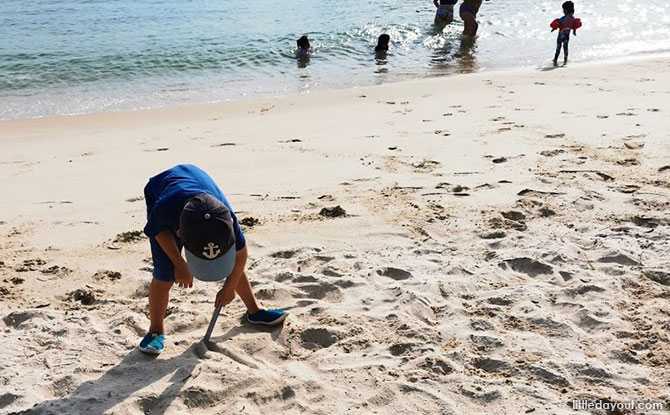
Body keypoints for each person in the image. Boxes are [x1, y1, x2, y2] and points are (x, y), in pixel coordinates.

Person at [139, 164, 288, 355]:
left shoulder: (224, 218)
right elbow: (158, 231)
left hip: (201, 189)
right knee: (164, 274)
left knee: (231, 263)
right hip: (162, 192)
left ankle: (254, 311)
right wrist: (179, 262)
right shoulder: (163, 209)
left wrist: (229, 287)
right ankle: (156, 331)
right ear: (179, 234)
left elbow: (240, 254)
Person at [551, 1, 581, 65]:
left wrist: (553, 28)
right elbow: (574, 26)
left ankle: (555, 59)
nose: (563, 11)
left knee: (558, 47)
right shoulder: (573, 19)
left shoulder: (563, 18)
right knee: (565, 47)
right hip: (567, 36)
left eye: (563, 9)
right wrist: (574, 32)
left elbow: (557, 23)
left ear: (566, 10)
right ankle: (565, 59)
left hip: (560, 35)